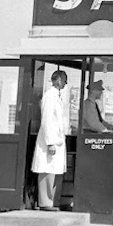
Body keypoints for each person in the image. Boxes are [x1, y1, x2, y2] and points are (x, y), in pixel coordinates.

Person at [31, 70, 68, 211]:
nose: (64, 84)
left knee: (54, 170)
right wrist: (50, 142)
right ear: (58, 81)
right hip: (50, 141)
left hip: (56, 140)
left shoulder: (56, 97)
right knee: (47, 170)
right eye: (64, 81)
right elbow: (46, 120)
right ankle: (45, 202)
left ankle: (51, 201)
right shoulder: (49, 97)